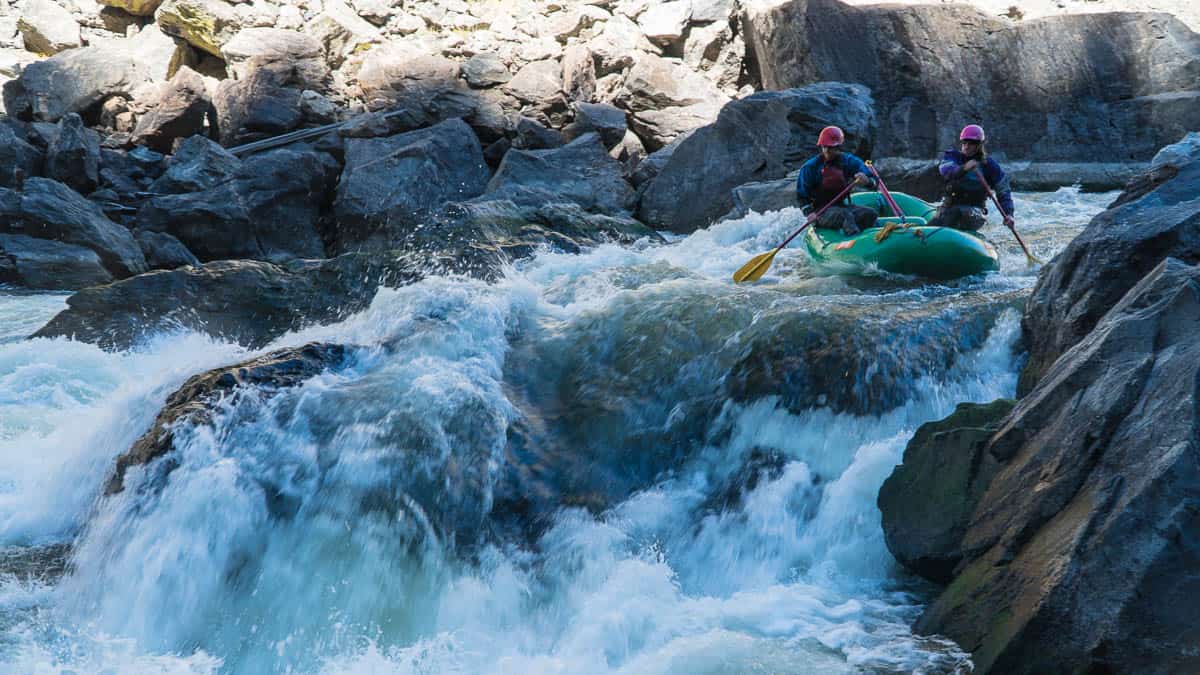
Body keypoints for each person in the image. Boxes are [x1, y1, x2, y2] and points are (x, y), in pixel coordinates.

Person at [929, 124, 1015, 231]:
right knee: (942, 218)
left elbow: (1003, 191)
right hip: (948, 208)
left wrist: (1009, 214)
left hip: (975, 212)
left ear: (979, 145)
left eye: (971, 143)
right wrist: (964, 168)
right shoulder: (953, 157)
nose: (966, 146)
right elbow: (946, 171)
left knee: (956, 212)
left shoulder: (989, 166)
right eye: (964, 142)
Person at [795, 126, 878, 236]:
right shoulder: (810, 167)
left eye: (830, 147)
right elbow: (801, 195)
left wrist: (867, 181)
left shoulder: (849, 161)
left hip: (842, 206)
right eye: (824, 147)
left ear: (839, 147)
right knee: (845, 215)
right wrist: (809, 213)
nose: (826, 151)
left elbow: (874, 182)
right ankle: (853, 242)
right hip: (820, 212)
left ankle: (869, 239)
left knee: (870, 214)